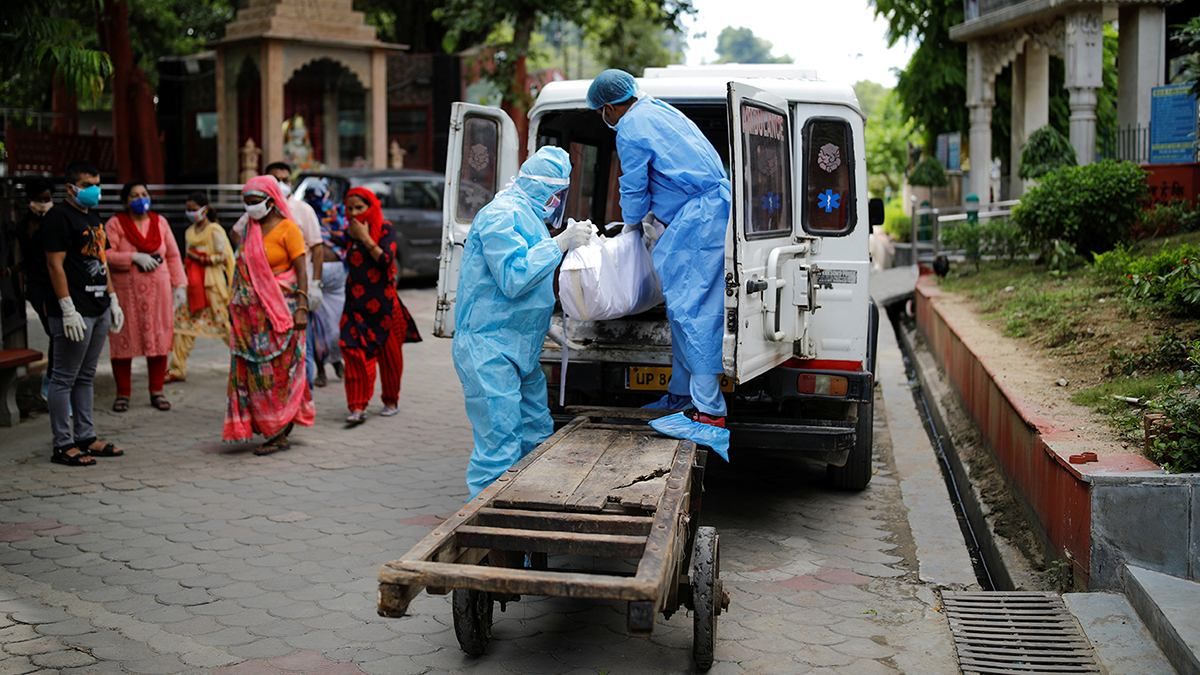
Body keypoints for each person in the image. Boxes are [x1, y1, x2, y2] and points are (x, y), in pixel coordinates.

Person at [587, 68, 733, 460]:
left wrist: (630, 226)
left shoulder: (631, 127)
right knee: (683, 313)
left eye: (602, 111)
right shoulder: (658, 110)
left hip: (697, 222)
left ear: (608, 107)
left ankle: (709, 415)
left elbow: (634, 185)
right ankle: (682, 396)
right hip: (703, 213)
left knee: (694, 313)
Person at [453, 146, 594, 498]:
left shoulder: (527, 215)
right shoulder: (501, 215)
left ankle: (529, 516)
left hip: (518, 345)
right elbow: (514, 276)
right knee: (499, 445)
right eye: (557, 194)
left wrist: (543, 323)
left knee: (535, 433)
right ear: (544, 188)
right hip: (489, 348)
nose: (557, 203)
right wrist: (560, 243)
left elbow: (526, 291)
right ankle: (491, 537)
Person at [41, 161, 126, 465]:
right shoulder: (57, 218)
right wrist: (66, 308)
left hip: (99, 305)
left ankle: (85, 436)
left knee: (86, 376)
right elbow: (54, 265)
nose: (94, 189)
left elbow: (101, 259)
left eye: (97, 183)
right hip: (74, 310)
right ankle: (63, 444)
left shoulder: (92, 215)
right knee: (64, 377)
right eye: (88, 184)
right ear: (70, 187)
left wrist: (113, 299)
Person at [223, 175, 314, 455]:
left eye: (255, 202)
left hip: (283, 314)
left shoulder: (289, 229)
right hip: (251, 320)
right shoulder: (249, 230)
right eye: (246, 202)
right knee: (255, 375)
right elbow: (241, 271)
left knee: (282, 372)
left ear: (271, 202)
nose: (250, 207)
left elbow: (300, 270)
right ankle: (267, 426)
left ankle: (280, 431)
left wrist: (302, 306)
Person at [231, 161, 325, 385]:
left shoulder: (299, 215)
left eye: (285, 180)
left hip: (290, 298)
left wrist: (314, 286)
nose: (282, 184)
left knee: (299, 357)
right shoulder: (251, 223)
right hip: (255, 309)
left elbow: (315, 250)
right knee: (259, 369)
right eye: (277, 180)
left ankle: (300, 399)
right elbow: (238, 243)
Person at [339, 187, 422, 425]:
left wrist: (365, 239)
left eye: (360, 208)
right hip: (355, 303)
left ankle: (390, 400)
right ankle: (357, 406)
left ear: (371, 207)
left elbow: (386, 261)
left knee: (389, 357)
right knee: (353, 351)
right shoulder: (347, 232)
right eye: (350, 208)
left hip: (384, 305)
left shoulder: (385, 229)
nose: (354, 214)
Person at [104, 182, 187, 412]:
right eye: (134, 195)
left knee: (159, 340)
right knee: (123, 341)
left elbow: (172, 254)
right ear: (125, 201)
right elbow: (105, 253)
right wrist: (133, 257)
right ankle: (123, 393)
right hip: (126, 293)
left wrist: (180, 285)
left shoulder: (160, 222)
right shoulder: (115, 223)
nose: (140, 199)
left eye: (144, 194)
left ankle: (157, 391)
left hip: (158, 292)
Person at [167, 192, 234, 382]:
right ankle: (177, 368)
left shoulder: (215, 230)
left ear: (205, 209)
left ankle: (244, 363)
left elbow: (225, 256)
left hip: (212, 285)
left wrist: (203, 258)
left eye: (194, 208)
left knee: (225, 326)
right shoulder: (189, 232)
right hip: (192, 285)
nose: (191, 212)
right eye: (188, 209)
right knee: (182, 326)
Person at [13, 178, 56, 405]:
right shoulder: (23, 227)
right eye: (38, 200)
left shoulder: (58, 221)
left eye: (47, 199)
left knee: (61, 338)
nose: (42, 204)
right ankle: (51, 387)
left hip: (62, 287)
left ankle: (54, 385)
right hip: (39, 289)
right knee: (55, 334)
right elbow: (22, 261)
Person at [305, 179, 346, 387]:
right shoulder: (304, 214)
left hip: (337, 276)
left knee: (336, 326)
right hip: (316, 275)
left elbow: (345, 237)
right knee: (318, 327)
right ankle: (321, 369)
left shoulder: (336, 214)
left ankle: (337, 360)